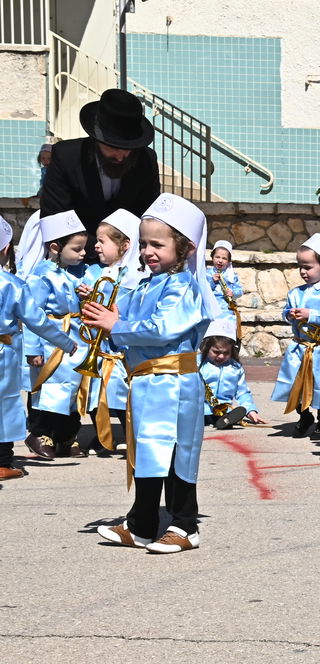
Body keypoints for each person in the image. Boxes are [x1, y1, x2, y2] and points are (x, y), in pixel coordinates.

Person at [83, 193, 219, 553]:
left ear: (186, 248)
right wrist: (102, 318)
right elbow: (124, 328)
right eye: (143, 244)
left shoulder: (185, 285)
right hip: (146, 381)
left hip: (175, 382)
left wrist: (117, 324)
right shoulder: (144, 284)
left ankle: (185, 524)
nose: (147, 251)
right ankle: (142, 523)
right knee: (147, 453)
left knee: (177, 454)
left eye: (157, 244)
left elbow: (161, 328)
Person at [40, 89, 161, 263]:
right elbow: (55, 217)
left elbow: (148, 217)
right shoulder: (67, 156)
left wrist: (121, 253)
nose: (120, 156)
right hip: (76, 261)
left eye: (127, 148)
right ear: (97, 138)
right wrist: (101, 250)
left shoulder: (146, 160)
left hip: (129, 260)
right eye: (113, 146)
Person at [0, 216, 79, 481]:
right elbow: (37, 321)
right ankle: (3, 459)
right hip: (6, 351)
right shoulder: (13, 284)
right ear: (5, 249)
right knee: (7, 403)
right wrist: (66, 343)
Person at [22, 210, 90, 460]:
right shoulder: (42, 275)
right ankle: (40, 433)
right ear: (55, 247)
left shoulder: (76, 273)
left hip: (73, 337)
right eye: (77, 248)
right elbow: (32, 313)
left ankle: (65, 436)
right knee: (48, 388)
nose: (83, 253)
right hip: (50, 340)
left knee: (71, 388)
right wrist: (33, 349)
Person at [75, 208, 143, 455]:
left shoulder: (136, 278)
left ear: (125, 245)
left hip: (120, 350)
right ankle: (102, 436)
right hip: (99, 348)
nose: (96, 246)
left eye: (102, 241)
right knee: (96, 392)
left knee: (122, 392)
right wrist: (87, 298)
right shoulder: (100, 273)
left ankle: (128, 433)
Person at [270, 234, 320, 439]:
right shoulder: (295, 293)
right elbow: (285, 312)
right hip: (300, 347)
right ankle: (304, 416)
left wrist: (311, 314)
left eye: (308, 267)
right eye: (300, 266)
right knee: (297, 384)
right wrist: (289, 314)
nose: (303, 271)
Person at [200, 324, 265, 430]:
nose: (221, 356)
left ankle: (226, 420)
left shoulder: (235, 368)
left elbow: (242, 392)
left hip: (223, 408)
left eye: (226, 353)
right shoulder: (198, 364)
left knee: (224, 417)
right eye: (216, 352)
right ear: (206, 348)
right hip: (201, 408)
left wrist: (250, 411)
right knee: (198, 415)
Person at [207, 240, 244, 336]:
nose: (220, 260)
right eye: (217, 257)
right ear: (212, 258)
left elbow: (240, 290)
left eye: (224, 258)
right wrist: (213, 282)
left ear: (228, 262)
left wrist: (233, 293)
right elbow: (203, 290)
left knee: (225, 336)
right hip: (211, 309)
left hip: (227, 310)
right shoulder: (207, 273)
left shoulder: (232, 275)